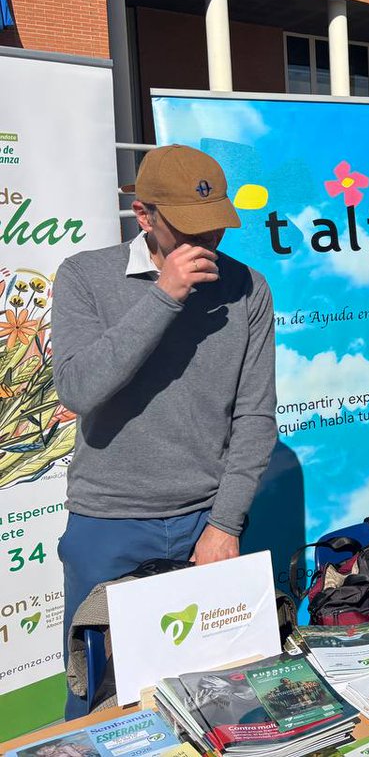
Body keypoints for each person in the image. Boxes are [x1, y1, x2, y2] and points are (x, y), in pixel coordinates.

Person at [52, 144, 276, 719]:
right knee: (99, 699)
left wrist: (225, 525)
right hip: (108, 522)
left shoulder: (248, 288)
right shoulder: (84, 276)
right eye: (190, 230)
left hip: (206, 518)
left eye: (216, 228)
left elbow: (254, 416)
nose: (208, 245)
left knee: (216, 699)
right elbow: (78, 388)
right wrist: (164, 296)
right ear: (144, 215)